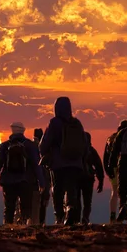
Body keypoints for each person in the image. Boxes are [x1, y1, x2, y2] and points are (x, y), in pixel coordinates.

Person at [39, 96, 88, 225]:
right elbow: (84, 143)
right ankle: (71, 210)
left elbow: (44, 144)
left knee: (58, 190)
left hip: (58, 163)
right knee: (72, 189)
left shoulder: (54, 123)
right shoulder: (77, 123)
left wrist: (44, 153)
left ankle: (59, 217)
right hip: (75, 163)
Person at [0, 122, 46, 225]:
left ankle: (8, 227)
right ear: (23, 131)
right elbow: (36, 165)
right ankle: (23, 226)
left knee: (9, 207)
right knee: (25, 207)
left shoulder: (4, 146)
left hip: (8, 182)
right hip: (25, 181)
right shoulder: (30, 145)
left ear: (12, 130)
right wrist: (41, 183)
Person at [103, 120, 127, 223]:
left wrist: (107, 169)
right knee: (125, 191)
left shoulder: (111, 138)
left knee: (114, 192)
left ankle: (113, 215)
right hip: (125, 167)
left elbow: (106, 157)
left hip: (113, 168)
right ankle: (124, 212)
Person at [76, 132, 104, 224]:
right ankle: (85, 218)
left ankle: (76, 219)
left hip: (77, 178)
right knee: (87, 201)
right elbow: (98, 166)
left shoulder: (76, 150)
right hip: (88, 178)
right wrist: (101, 181)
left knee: (76, 200)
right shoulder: (91, 150)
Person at [33, 128, 52, 224]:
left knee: (32, 203)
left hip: (32, 180)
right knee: (43, 203)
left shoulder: (29, 147)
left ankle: (31, 222)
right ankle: (41, 222)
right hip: (45, 179)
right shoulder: (45, 148)